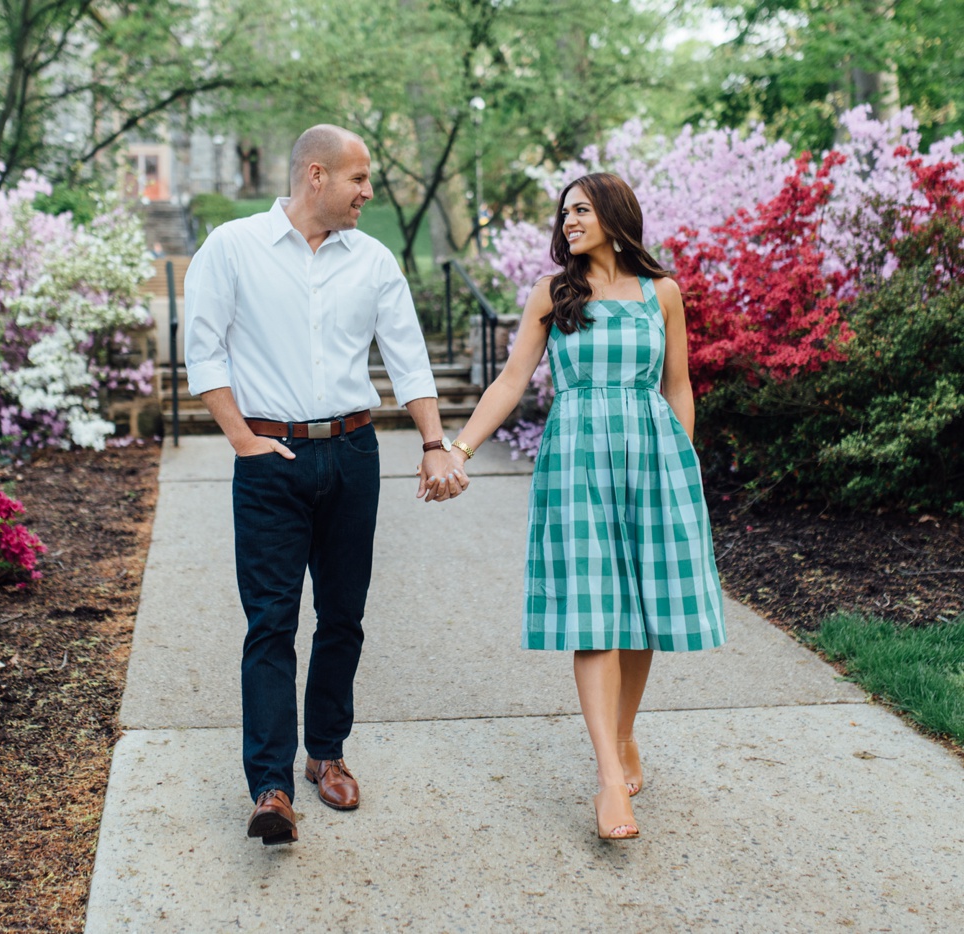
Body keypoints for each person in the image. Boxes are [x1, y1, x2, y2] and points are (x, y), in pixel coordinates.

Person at [184, 125, 463, 847]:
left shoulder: (371, 261)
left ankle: (325, 753)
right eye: (358, 179)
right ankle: (270, 785)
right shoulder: (234, 247)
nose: (368, 192)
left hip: (351, 453)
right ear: (316, 175)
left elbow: (409, 357)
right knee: (271, 621)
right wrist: (244, 441)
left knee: (343, 615)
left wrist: (435, 444)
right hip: (269, 460)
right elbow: (203, 347)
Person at [436, 172, 726, 840]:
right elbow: (511, 381)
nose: (567, 220)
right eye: (563, 212)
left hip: (654, 461)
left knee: (643, 611)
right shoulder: (554, 293)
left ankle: (624, 735)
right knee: (596, 613)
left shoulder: (663, 293)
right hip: (577, 464)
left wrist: (682, 463)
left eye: (582, 209)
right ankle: (606, 781)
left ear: (615, 215)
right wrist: (460, 447)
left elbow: (679, 386)